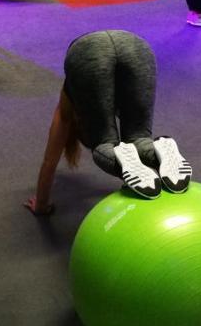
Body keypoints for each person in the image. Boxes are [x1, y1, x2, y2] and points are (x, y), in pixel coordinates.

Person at [26, 30, 191, 215]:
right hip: (136, 45)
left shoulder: (72, 93)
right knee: (139, 138)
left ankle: (124, 162)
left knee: (104, 143)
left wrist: (41, 205)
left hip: (86, 54)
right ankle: (163, 151)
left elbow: (50, 160)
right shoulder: (110, 88)